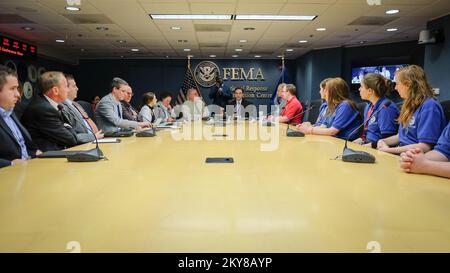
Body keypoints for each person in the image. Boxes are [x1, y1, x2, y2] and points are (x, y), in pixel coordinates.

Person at [377, 65, 446, 155]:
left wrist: (389, 150)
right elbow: (401, 136)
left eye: (397, 84)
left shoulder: (430, 106)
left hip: (416, 158)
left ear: (408, 84)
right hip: (402, 154)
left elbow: (425, 146)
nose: (395, 88)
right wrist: (383, 141)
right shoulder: (408, 105)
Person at [21, 71, 78, 151]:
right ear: (55, 91)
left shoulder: (48, 105)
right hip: (42, 158)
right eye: (66, 86)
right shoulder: (43, 109)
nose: (68, 90)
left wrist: (66, 126)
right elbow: (71, 139)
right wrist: (67, 126)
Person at [296, 78, 361, 140]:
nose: (324, 92)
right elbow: (324, 126)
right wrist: (310, 126)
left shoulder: (345, 105)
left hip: (342, 142)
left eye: (326, 90)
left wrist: (309, 129)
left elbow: (332, 131)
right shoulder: (333, 106)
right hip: (332, 139)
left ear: (334, 91)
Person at [0, 65, 39, 168]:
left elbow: (23, 148)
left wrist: (35, 153)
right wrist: (10, 164)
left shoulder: (11, 112)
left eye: (17, 88)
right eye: (12, 89)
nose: (18, 94)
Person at [353, 73, 399, 148]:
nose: (359, 89)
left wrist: (368, 146)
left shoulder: (386, 108)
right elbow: (369, 132)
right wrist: (361, 140)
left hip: (379, 149)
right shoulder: (369, 107)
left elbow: (387, 139)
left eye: (361, 86)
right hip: (368, 144)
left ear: (370, 91)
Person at [61, 74, 104, 144]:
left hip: (97, 139)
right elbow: (72, 136)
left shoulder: (77, 104)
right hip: (85, 143)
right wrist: (93, 137)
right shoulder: (62, 107)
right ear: (66, 88)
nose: (77, 88)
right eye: (74, 86)